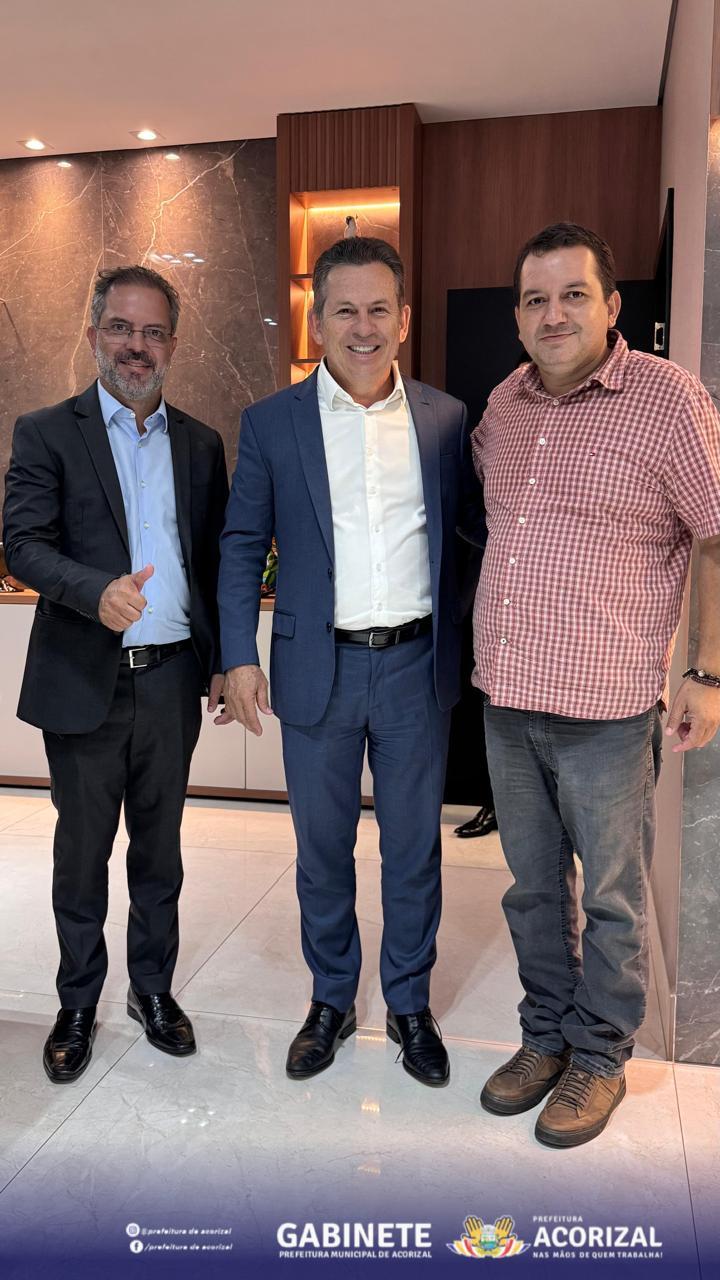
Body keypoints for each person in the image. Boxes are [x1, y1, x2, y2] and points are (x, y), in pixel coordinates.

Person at [472, 222, 720, 1147]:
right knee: (532, 890)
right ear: (517, 317)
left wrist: (707, 671)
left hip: (607, 712)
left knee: (613, 897)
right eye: (535, 299)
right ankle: (544, 1037)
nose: (554, 314)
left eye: (573, 294)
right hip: (508, 699)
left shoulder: (668, 399)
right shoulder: (504, 407)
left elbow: (715, 534)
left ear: (611, 306)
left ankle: (600, 1056)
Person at [219, 237, 485, 1087]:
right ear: (317, 319)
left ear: (403, 320)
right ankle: (332, 998)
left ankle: (409, 1003)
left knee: (413, 851)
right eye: (344, 309)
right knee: (322, 850)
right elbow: (240, 545)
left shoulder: (446, 418)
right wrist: (237, 656)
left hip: (416, 669)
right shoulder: (272, 422)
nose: (362, 327)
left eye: (378, 309)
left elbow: (471, 538)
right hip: (315, 670)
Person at [3, 265, 230, 1082]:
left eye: (153, 331)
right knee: (82, 854)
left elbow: (211, 561)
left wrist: (221, 661)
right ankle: (76, 1003)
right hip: (84, 682)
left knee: (160, 852)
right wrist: (91, 590)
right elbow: (22, 544)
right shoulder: (46, 432)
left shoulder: (201, 444)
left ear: (173, 342)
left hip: (171, 683)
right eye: (123, 328)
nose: (138, 345)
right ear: (95, 332)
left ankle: (152, 991)